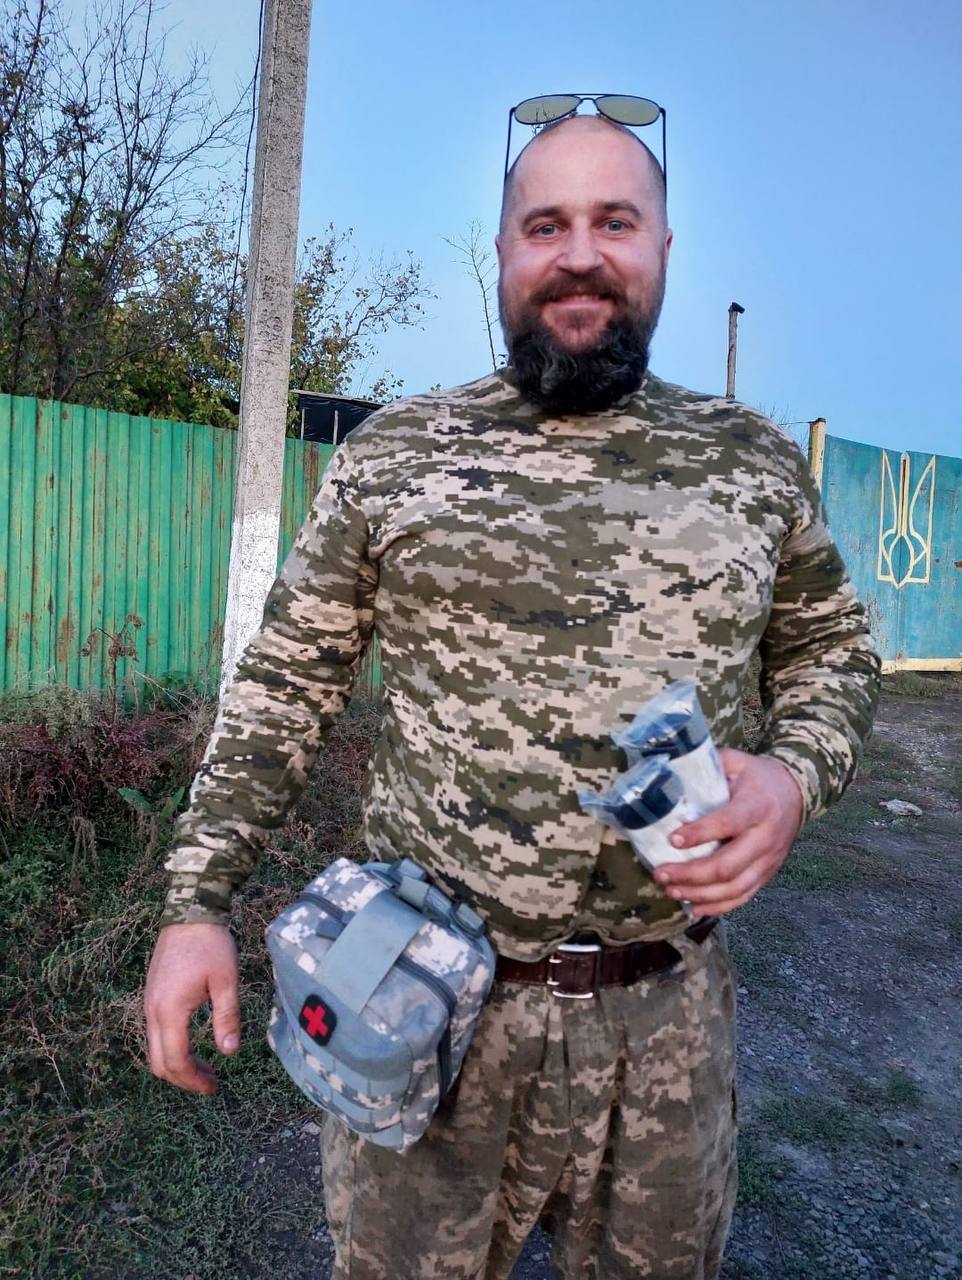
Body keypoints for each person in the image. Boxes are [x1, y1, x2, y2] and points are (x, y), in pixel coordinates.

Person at [144, 110, 881, 1279]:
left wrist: (793, 778)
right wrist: (196, 900)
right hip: (417, 1001)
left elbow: (830, 649)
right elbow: (286, 680)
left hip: (665, 1023)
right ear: (500, 250)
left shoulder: (748, 460)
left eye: (613, 222)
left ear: (661, 249)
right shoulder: (397, 454)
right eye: (545, 225)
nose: (578, 255)